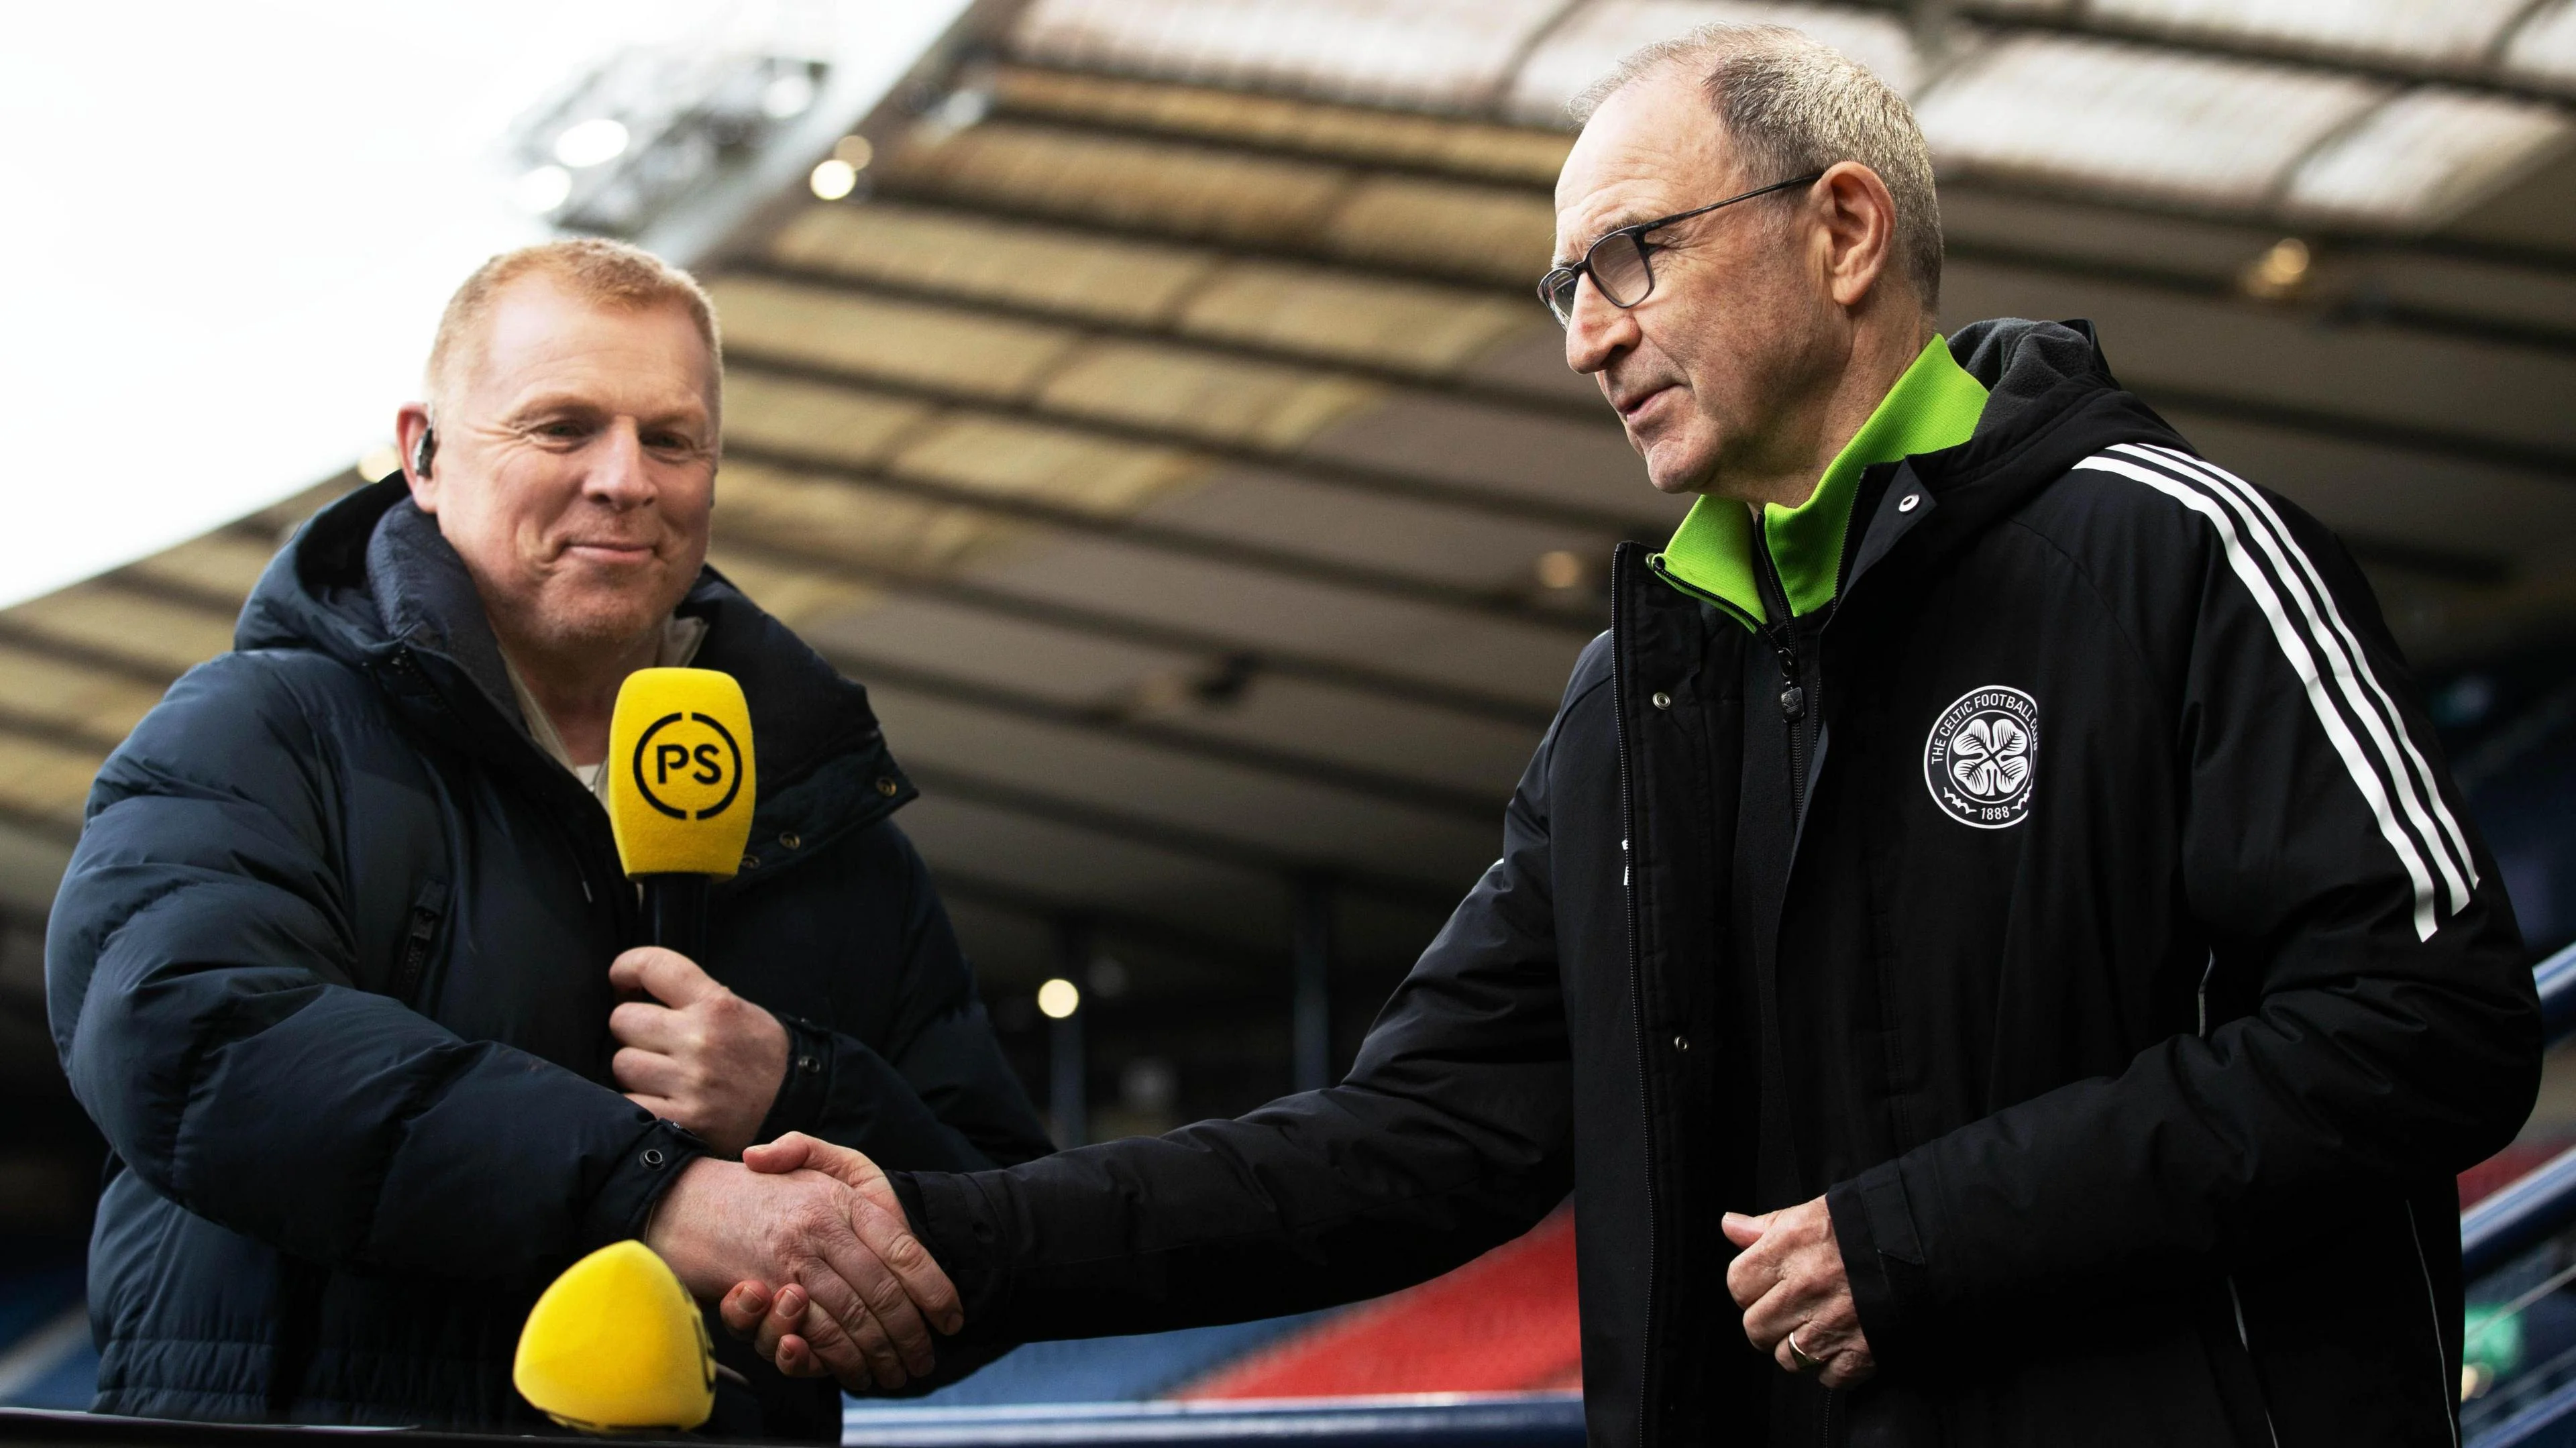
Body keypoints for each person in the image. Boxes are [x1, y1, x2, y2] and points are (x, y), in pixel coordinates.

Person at [713, 25, 2541, 1447]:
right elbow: (1410, 1136)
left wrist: (1926, 1235)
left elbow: (2431, 1022)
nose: (1590, 337)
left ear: (1842, 230)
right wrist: (967, 1236)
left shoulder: (2175, 549)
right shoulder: (1633, 704)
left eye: (1635, 258)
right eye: (1564, 290)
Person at [45, 238, 1046, 1439]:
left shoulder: (825, 817)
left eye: (670, 438)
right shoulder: (258, 732)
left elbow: (996, 1251)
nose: (625, 477)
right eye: (562, 426)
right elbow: (188, 1037)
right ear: (423, 451)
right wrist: (655, 1190)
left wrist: (800, 1081)